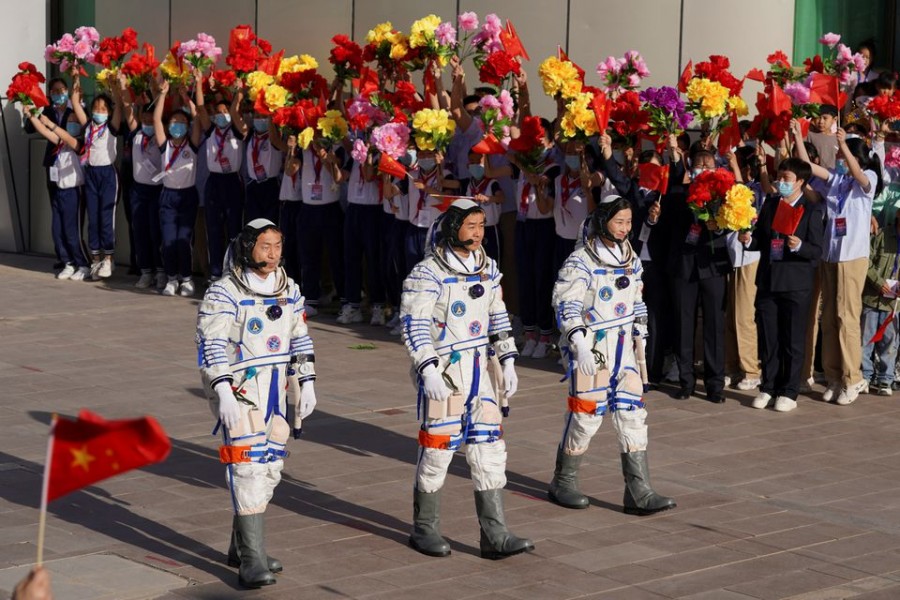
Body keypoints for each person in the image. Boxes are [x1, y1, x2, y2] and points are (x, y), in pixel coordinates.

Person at [400, 199, 534, 560]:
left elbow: (497, 314)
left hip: (481, 371)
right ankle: (424, 528)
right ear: (451, 227)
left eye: (481, 225)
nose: (478, 233)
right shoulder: (428, 273)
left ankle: (495, 534)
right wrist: (427, 369)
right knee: (438, 451)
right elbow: (413, 325)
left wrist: (507, 360)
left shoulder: (487, 268)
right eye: (470, 226)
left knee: (489, 451)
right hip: (445, 370)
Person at [196, 218, 317, 588]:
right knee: (247, 468)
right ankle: (251, 558)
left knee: (270, 468)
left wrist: (307, 383)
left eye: (277, 246)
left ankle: (242, 545)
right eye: (265, 246)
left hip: (276, 390)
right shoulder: (224, 292)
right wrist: (222, 390)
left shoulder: (289, 289)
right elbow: (211, 344)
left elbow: (299, 337)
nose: (273, 254)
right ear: (248, 247)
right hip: (242, 389)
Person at [548, 195, 676, 516]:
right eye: (618, 222)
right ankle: (564, 479)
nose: (624, 229)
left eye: (628, 222)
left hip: (624, 347)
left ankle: (639, 490)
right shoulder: (582, 261)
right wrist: (577, 342)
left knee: (633, 416)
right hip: (593, 345)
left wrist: (640, 330)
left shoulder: (629, 257)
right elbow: (566, 304)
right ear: (603, 220)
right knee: (586, 416)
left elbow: (636, 297)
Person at [796, 123, 883, 405]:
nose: (841, 163)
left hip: (852, 257)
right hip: (830, 254)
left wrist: (845, 144)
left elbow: (859, 173)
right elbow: (807, 167)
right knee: (831, 317)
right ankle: (834, 376)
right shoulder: (836, 181)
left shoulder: (866, 178)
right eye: (840, 159)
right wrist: (797, 136)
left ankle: (853, 377)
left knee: (847, 317)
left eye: (844, 159)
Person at [739, 158, 826, 411]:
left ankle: (789, 390)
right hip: (768, 281)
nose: (781, 182)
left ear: (800, 181)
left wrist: (799, 246)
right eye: (780, 177)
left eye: (787, 179)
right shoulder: (771, 204)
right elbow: (760, 240)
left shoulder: (811, 210)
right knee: (769, 337)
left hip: (796, 284)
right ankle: (768, 386)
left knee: (793, 339)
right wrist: (747, 239)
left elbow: (816, 250)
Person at [668, 150, 732, 403]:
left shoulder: (726, 195)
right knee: (684, 324)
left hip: (713, 265)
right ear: (689, 168)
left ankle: (715, 384)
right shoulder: (677, 194)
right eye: (698, 165)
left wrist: (718, 223)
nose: (703, 169)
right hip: (684, 265)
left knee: (714, 324)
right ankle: (686, 381)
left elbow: (737, 223)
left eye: (708, 165)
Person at [27, 107, 90, 281]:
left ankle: (83, 263)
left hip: (74, 192)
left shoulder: (80, 142)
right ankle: (68, 262)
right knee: (57, 230)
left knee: (72, 231)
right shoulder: (60, 144)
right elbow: (45, 131)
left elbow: (67, 138)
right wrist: (32, 116)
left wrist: (52, 125)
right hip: (59, 191)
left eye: (75, 121)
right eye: (69, 120)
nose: (71, 123)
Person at [153, 79, 202, 297]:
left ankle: (187, 278)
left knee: (184, 239)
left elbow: (199, 117)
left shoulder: (191, 144)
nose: (177, 125)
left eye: (182, 121)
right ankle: (171, 278)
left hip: (188, 196)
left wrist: (186, 98)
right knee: (169, 239)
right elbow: (156, 119)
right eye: (174, 121)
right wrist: (163, 94)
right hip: (168, 197)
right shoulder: (165, 144)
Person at [71, 71, 122, 279]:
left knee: (106, 217)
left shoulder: (111, 127)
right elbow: (75, 102)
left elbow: (119, 106)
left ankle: (109, 259)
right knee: (93, 217)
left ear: (108, 112)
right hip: (90, 174)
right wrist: (75, 76)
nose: (99, 112)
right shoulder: (88, 127)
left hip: (108, 174)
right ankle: (95, 259)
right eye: (96, 108)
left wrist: (114, 87)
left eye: (103, 109)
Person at [25, 76, 73, 272]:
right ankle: (62, 255)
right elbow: (29, 129)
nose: (58, 94)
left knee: (70, 212)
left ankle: (75, 254)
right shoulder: (47, 110)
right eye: (54, 92)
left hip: (71, 166)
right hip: (52, 165)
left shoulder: (74, 111)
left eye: (61, 90)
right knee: (56, 209)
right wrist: (28, 112)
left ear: (67, 91)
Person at [198, 93, 245, 282]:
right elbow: (201, 109)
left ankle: (235, 271)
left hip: (233, 181)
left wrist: (238, 95)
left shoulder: (238, 130)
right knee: (214, 229)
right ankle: (215, 273)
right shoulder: (210, 131)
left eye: (226, 112)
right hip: (214, 182)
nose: (222, 115)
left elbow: (235, 112)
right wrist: (199, 80)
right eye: (218, 112)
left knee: (234, 229)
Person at [121, 86, 164, 290]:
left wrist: (160, 94)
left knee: (156, 233)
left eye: (150, 121)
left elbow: (158, 116)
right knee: (140, 232)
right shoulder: (136, 134)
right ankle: (146, 271)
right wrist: (123, 86)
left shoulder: (161, 137)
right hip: (138, 191)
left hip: (157, 191)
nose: (147, 124)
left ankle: (161, 271)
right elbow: (129, 111)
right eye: (144, 121)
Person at [861, 207, 900, 396]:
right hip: (872, 296)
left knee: (890, 341)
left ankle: (885, 379)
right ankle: (865, 377)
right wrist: (878, 282)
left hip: (894, 303)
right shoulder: (881, 234)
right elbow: (866, 259)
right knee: (865, 339)